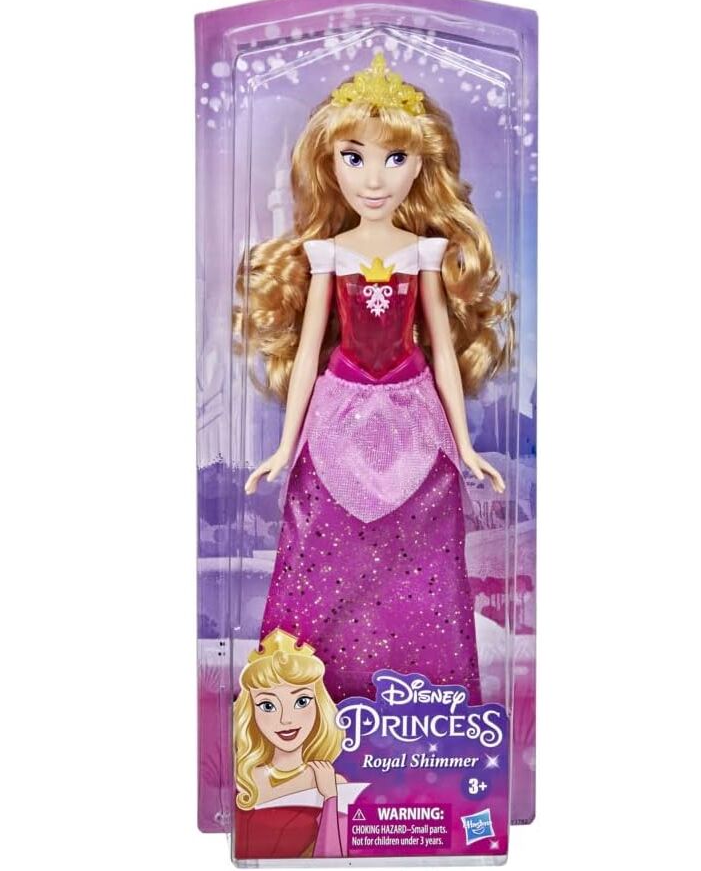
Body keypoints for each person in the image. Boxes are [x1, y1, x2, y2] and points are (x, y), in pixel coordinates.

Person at [234, 52, 516, 703]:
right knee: (323, 553)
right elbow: (310, 349)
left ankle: (426, 704)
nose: (374, 178)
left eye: (395, 158)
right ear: (329, 165)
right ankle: (308, 707)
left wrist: (465, 444)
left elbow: (442, 352)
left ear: (420, 165)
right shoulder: (328, 254)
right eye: (353, 157)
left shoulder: (423, 252)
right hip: (338, 412)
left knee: (423, 564)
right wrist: (285, 445)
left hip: (414, 414)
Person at [233, 629, 363, 858]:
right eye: (268, 706)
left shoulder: (331, 783)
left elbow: (333, 856)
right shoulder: (247, 778)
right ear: (251, 711)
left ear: (319, 705)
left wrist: (330, 797)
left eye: (301, 701)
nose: (286, 719)